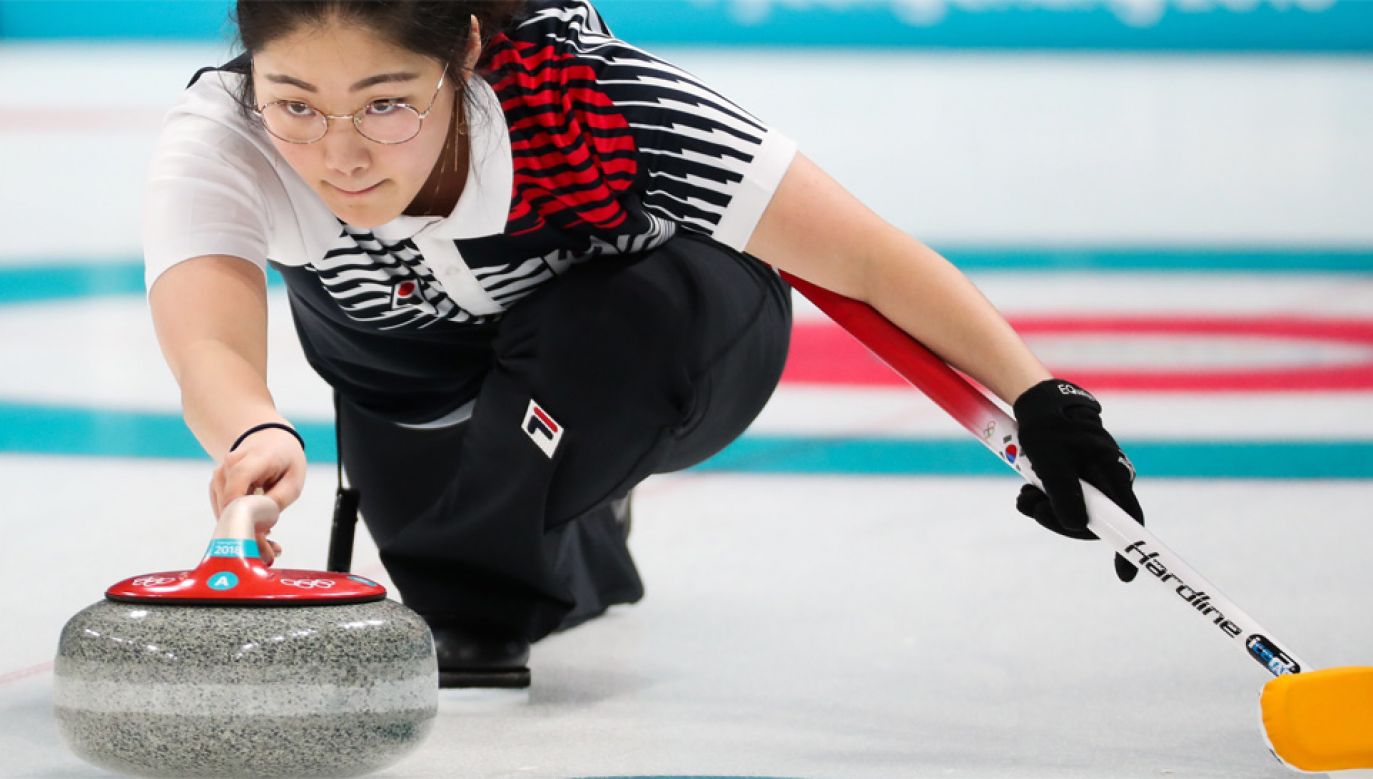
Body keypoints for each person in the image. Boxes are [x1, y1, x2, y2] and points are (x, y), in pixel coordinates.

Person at [144, 0, 1144, 688]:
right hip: (404, 359)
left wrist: (1037, 395)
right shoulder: (220, 136)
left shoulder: (599, 105)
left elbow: (870, 261)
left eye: (387, 101)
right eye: (296, 106)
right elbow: (210, 344)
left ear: (465, 58)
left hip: (655, 329)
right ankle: (538, 489)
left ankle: (560, 464)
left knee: (571, 382)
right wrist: (252, 432)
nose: (341, 152)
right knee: (474, 547)